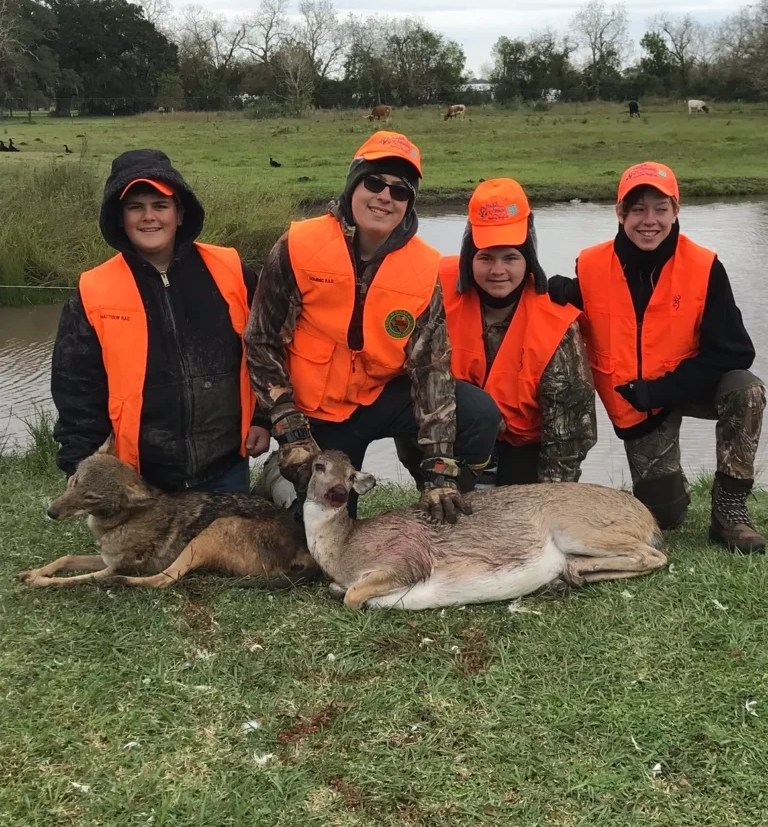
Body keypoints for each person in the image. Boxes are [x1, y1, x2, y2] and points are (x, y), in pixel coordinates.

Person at [244, 130, 501, 522]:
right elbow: (261, 341)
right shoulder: (298, 245)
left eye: (400, 191)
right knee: (319, 533)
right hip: (315, 412)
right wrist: (289, 426)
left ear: (408, 204)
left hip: (379, 398)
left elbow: (432, 373)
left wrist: (440, 471)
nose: (385, 197)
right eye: (375, 182)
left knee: (479, 412)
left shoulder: (422, 267)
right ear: (353, 185)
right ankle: (277, 476)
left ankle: (441, 501)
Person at [548, 160, 765, 552]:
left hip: (686, 386)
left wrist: (663, 390)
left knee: (746, 389)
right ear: (620, 213)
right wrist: (556, 289)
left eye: (660, 209)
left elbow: (736, 351)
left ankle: (729, 512)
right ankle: (675, 488)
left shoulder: (704, 266)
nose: (650, 221)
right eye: (638, 209)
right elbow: (600, 306)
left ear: (676, 211)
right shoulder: (591, 264)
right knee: (665, 515)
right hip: (639, 404)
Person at [52, 149, 270, 493]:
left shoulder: (231, 270)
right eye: (135, 207)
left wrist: (262, 418)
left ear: (180, 213)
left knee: (222, 549)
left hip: (225, 466)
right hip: (140, 478)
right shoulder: (93, 290)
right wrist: (80, 464)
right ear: (119, 217)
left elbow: (264, 351)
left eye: (160, 205)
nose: (148, 217)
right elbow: (76, 389)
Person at [403, 178, 596, 486]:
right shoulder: (432, 287)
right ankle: (439, 486)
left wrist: (552, 499)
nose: (497, 271)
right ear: (469, 257)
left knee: (523, 511)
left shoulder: (556, 321)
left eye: (510, 258)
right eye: (485, 258)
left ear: (528, 260)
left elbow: (569, 434)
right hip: (454, 435)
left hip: (523, 444)